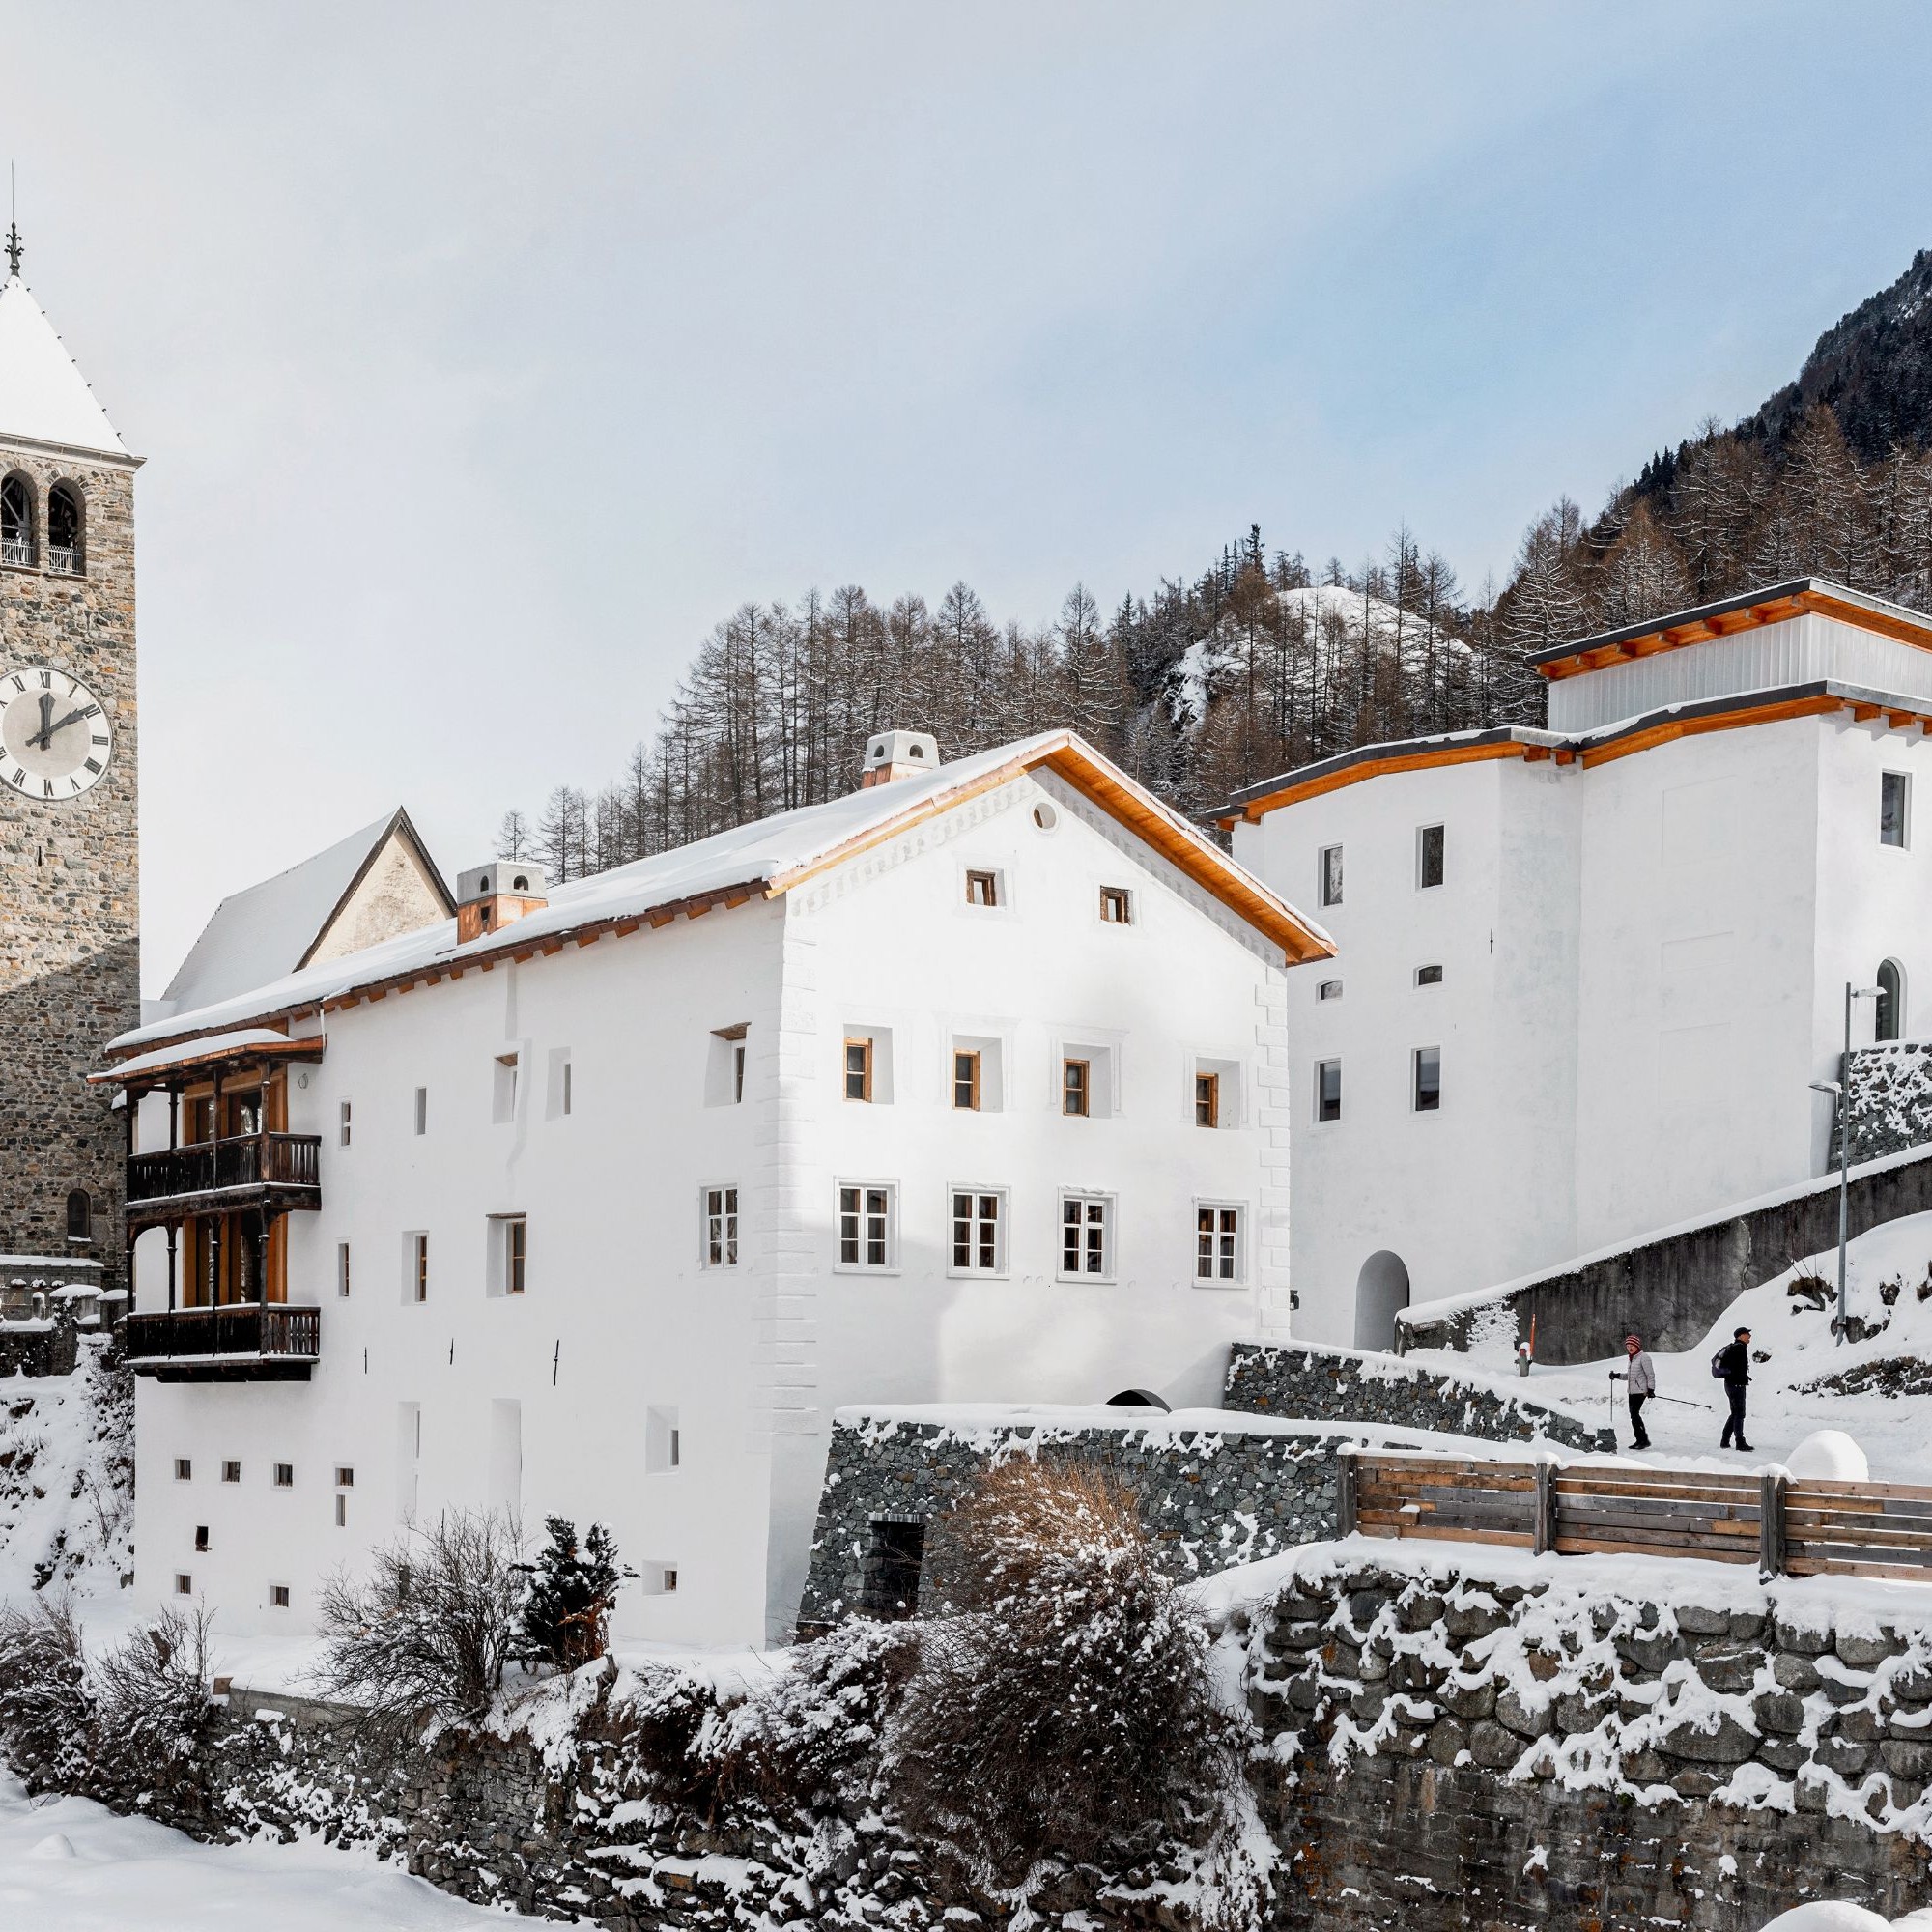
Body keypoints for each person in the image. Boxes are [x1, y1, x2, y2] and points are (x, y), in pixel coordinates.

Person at [1609, 1333, 1656, 1449]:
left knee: (1634, 1414)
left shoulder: (1644, 1357)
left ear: (1637, 1345)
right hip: (1632, 1392)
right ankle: (1640, 1439)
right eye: (1628, 1345)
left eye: (1632, 1345)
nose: (1629, 1347)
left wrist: (1650, 1389)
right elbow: (1629, 1376)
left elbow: (1650, 1375)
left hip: (1641, 1391)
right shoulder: (1632, 1359)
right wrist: (1616, 1375)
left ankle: (1643, 1440)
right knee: (1633, 1415)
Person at [1717, 1325, 1754, 1452]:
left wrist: (1743, 1377)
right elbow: (1735, 1368)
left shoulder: (1736, 1348)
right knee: (1739, 1414)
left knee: (1735, 1413)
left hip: (1732, 1384)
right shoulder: (1739, 1349)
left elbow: (1735, 1368)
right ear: (1740, 1336)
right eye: (1747, 1334)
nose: (1749, 1336)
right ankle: (1739, 1442)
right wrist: (1740, 1378)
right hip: (1736, 1386)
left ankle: (1725, 1441)